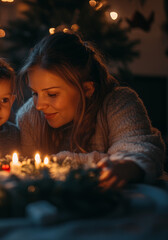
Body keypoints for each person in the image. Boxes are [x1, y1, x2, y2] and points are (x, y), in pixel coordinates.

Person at [15, 32, 165, 189]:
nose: (39, 105)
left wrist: (125, 166)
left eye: (52, 94)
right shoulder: (29, 116)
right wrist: (105, 159)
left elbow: (139, 151)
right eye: (35, 93)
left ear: (87, 89)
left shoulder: (118, 102)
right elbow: (29, 173)